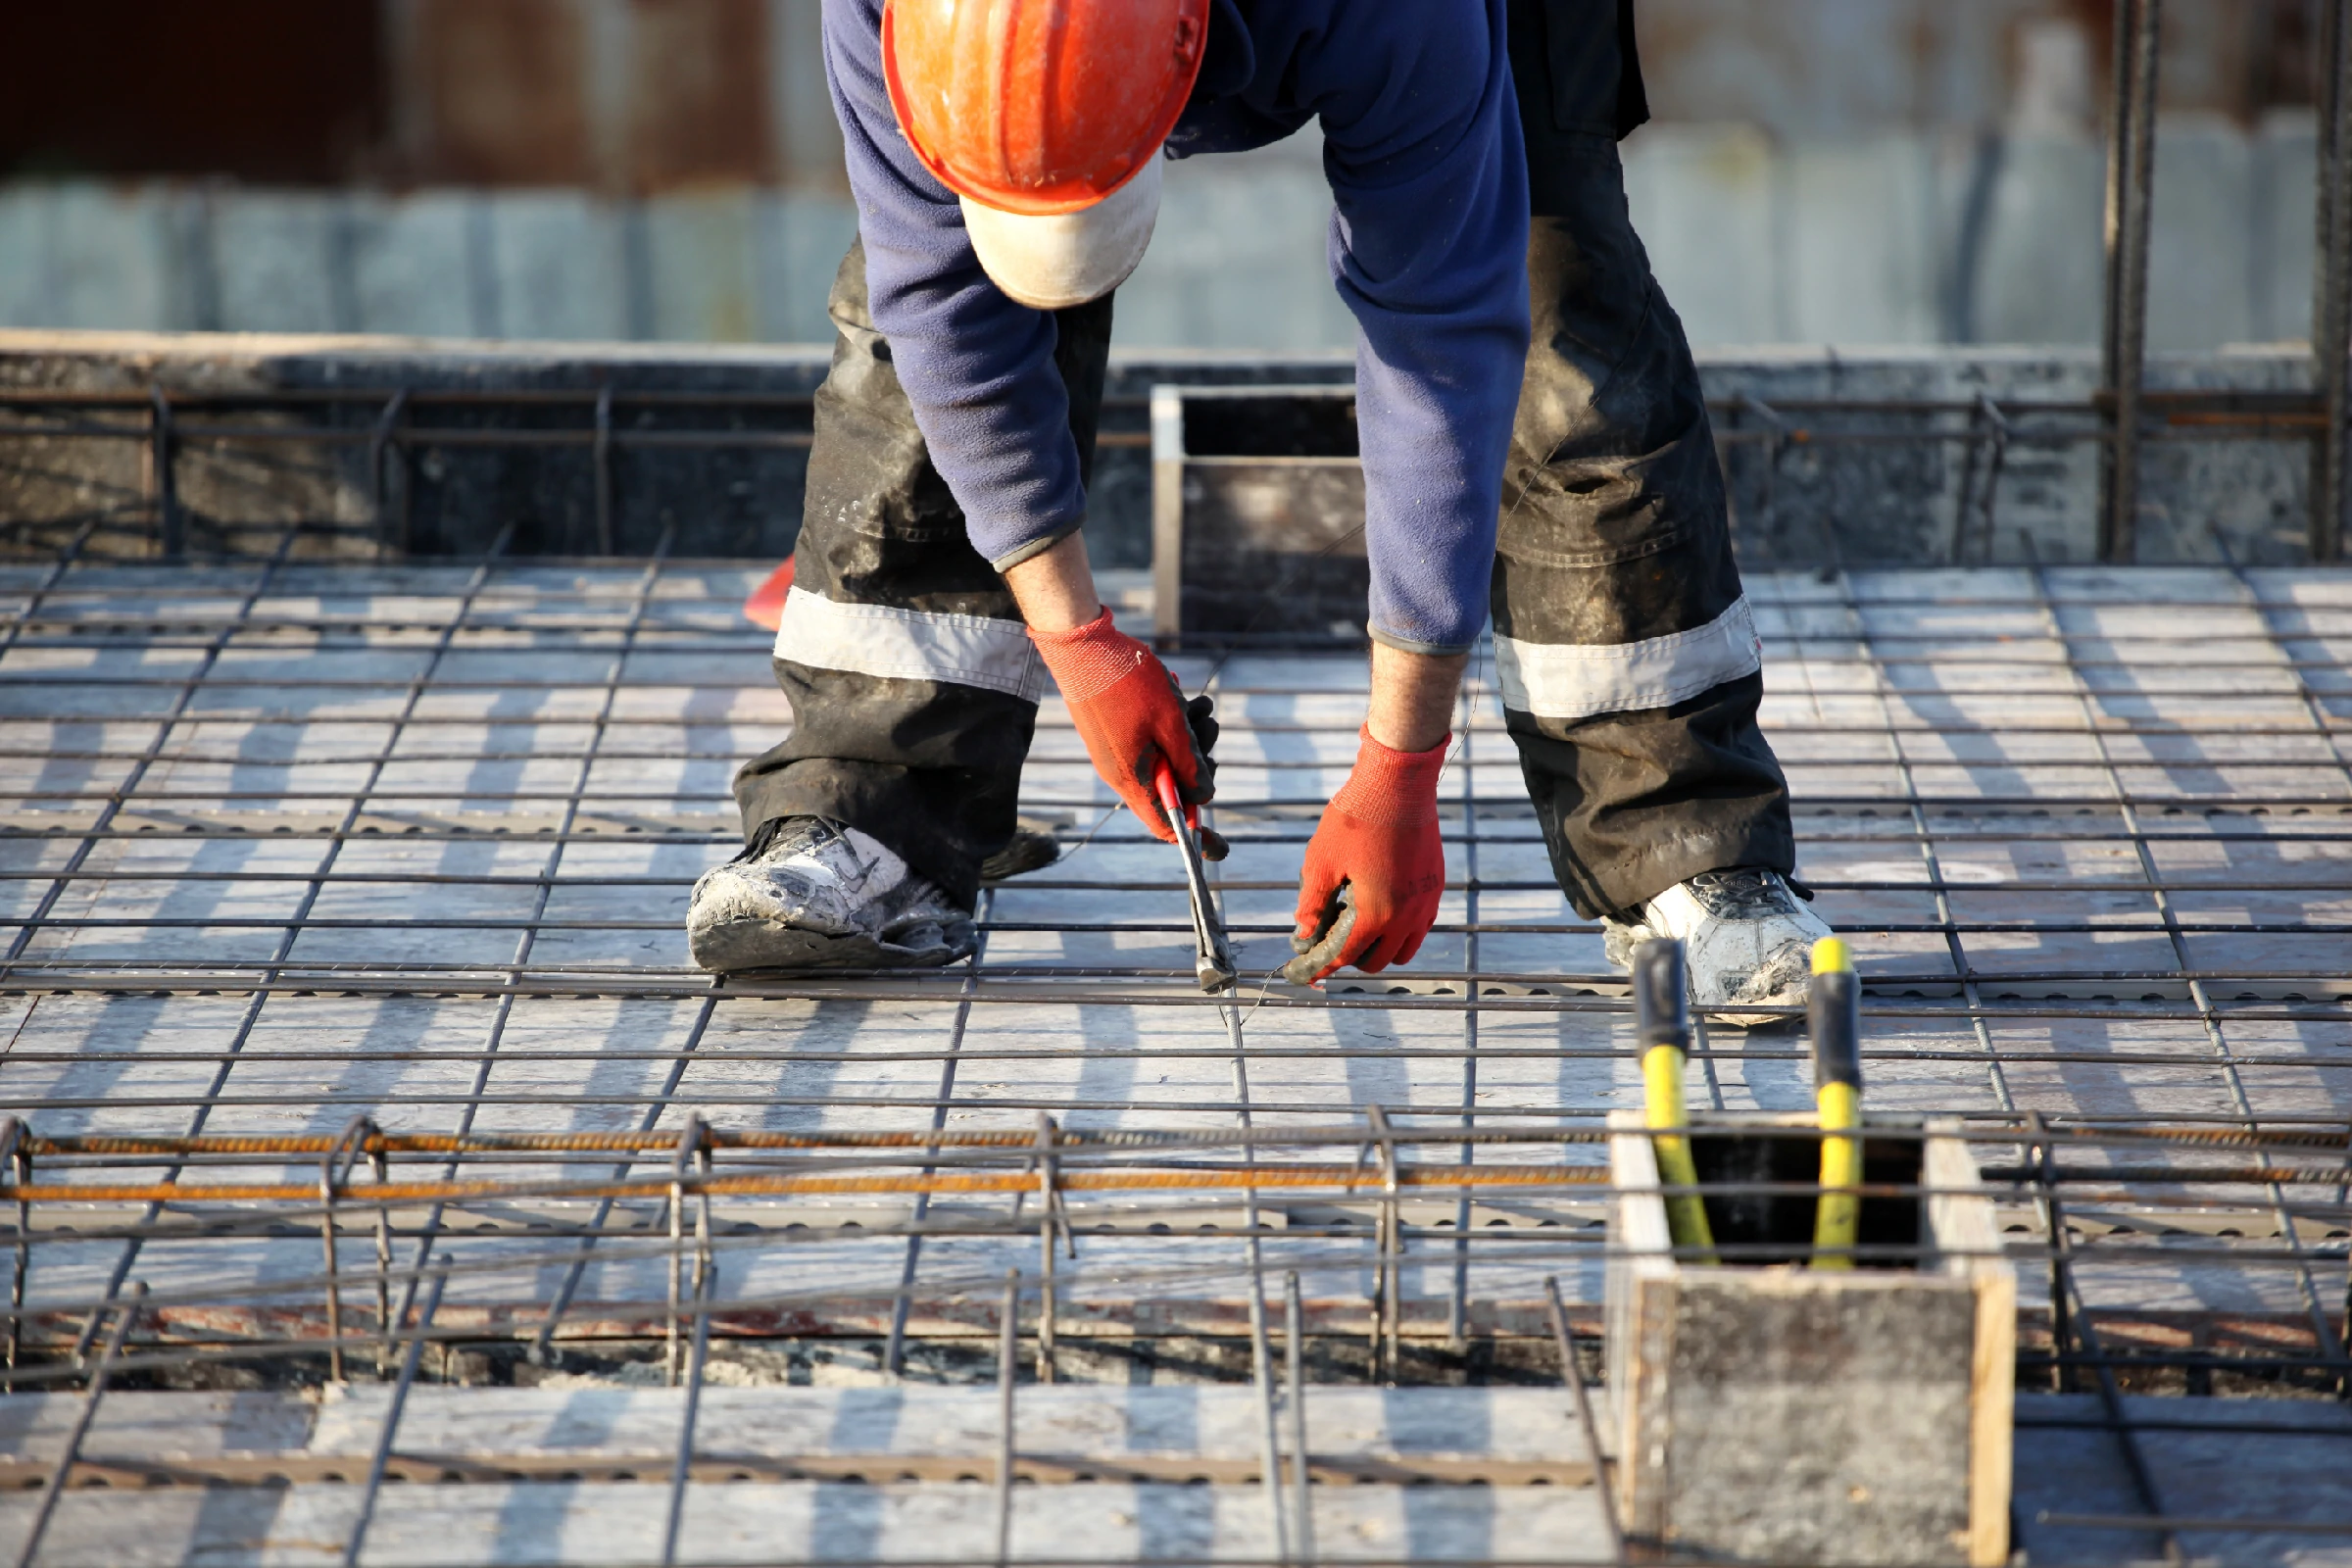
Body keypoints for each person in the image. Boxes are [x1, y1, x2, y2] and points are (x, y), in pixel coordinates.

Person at [688, 0, 1833, 1015]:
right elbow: (944, 302)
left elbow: (1440, 340)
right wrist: (1076, 639)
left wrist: (1400, 763)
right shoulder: (890, 15)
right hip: (1020, 54)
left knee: (1552, 293)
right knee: (915, 326)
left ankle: (1686, 841)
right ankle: (869, 808)